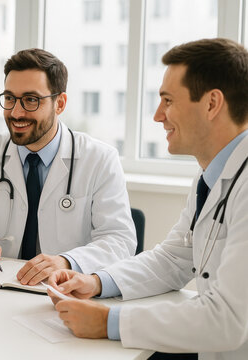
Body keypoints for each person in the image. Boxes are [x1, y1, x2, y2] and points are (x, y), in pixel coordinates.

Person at [48, 38, 248, 360]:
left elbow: (227, 319)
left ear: (212, 104)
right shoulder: (211, 175)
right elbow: (173, 259)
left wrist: (107, 321)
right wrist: (96, 281)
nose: (158, 116)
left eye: (167, 101)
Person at [0, 48, 136, 285]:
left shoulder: (100, 159)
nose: (16, 112)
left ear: (60, 103)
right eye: (10, 98)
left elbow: (119, 239)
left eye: (31, 100)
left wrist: (66, 261)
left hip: (66, 292)